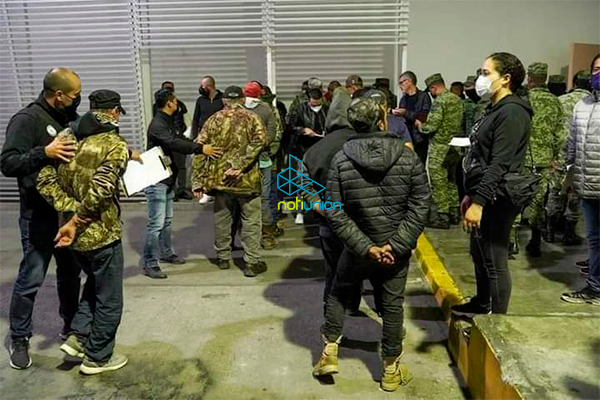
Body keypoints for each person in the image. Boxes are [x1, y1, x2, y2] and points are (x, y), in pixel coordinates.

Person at [313, 98, 430, 392]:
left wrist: (365, 247)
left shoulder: (341, 160)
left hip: (356, 250)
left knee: (339, 293)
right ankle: (390, 370)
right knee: (391, 306)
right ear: (382, 122)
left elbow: (335, 211)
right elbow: (421, 205)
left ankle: (329, 351)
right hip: (395, 251)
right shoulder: (407, 158)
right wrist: (396, 245)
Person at [36, 90, 131, 375]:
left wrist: (69, 209)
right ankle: (98, 357)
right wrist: (78, 218)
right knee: (109, 299)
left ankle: (78, 338)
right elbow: (102, 188)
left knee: (94, 285)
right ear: (114, 112)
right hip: (101, 233)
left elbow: (43, 179)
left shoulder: (65, 137)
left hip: (72, 236)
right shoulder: (114, 143)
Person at [0, 67, 82, 369]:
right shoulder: (26, 120)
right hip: (38, 216)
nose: (78, 99)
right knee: (31, 277)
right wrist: (44, 152)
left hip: (66, 214)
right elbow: (8, 163)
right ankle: (19, 337)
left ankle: (71, 328)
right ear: (58, 95)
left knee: (70, 275)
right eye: (74, 95)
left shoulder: (68, 118)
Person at [453, 52, 532, 316]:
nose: (480, 78)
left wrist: (479, 202)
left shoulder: (512, 112)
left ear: (506, 78)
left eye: (486, 73)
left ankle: (497, 325)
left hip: (497, 197)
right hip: (483, 192)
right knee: (479, 253)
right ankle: (482, 302)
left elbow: (499, 164)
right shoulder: (495, 108)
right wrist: (470, 194)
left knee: (494, 259)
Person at [143, 89, 222, 279]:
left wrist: (198, 143)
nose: (177, 103)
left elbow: (180, 139)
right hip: (157, 179)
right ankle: (150, 263)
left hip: (168, 177)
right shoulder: (158, 124)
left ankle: (166, 253)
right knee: (156, 223)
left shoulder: (169, 121)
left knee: (167, 221)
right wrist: (200, 148)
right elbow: (174, 143)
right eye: (175, 100)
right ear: (169, 103)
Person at [192, 86, 268, 278]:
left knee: (222, 219)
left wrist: (197, 181)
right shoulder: (252, 118)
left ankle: (223, 257)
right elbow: (260, 141)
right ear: (242, 100)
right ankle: (252, 262)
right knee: (251, 221)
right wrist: (240, 164)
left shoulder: (213, 120)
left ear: (224, 101)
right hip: (247, 180)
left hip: (220, 180)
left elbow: (199, 148)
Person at [301, 86, 361, 312]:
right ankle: (352, 304)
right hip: (359, 221)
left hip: (328, 220)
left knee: (333, 267)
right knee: (355, 265)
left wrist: (320, 207)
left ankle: (332, 308)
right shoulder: (363, 143)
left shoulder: (315, 149)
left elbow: (304, 184)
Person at [561, 54, 600, 306]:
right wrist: (570, 173)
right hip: (587, 185)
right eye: (596, 69)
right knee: (594, 239)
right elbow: (573, 142)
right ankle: (595, 287)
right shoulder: (582, 105)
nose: (599, 73)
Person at [545, 70, 591, 244]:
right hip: (583, 154)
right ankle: (569, 233)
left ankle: (549, 231)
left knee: (555, 191)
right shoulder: (594, 103)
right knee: (576, 194)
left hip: (560, 153)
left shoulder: (560, 100)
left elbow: (550, 129)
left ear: (575, 83)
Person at [524, 62, 564, 257]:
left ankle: (511, 243)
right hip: (545, 161)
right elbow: (560, 134)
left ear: (530, 78)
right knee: (538, 202)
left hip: (521, 160)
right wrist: (556, 158)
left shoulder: (522, 99)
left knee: (515, 200)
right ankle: (535, 240)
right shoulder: (555, 101)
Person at [417, 73, 464, 229]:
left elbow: (432, 125)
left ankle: (442, 216)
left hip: (440, 147)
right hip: (454, 147)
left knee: (438, 182)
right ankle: (454, 213)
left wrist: (421, 126)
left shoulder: (440, 101)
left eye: (431, 89)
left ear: (434, 87)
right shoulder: (457, 99)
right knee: (451, 180)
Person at [242, 81, 279, 249]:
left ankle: (249, 238)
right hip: (263, 160)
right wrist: (261, 146)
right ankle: (267, 237)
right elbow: (272, 133)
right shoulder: (266, 109)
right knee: (264, 199)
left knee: (244, 200)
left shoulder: (237, 110)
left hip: (242, 163)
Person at [287, 88, 329, 224]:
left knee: (320, 179)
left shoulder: (327, 109)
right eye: (313, 102)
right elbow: (290, 126)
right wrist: (302, 129)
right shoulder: (300, 109)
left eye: (317, 102)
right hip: (303, 148)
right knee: (302, 179)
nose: (315, 104)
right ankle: (300, 211)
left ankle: (319, 211)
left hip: (322, 148)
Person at [152, 81, 191, 201]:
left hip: (179, 136)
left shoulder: (180, 104)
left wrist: (188, 134)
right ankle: (172, 191)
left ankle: (182, 189)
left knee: (181, 166)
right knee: (169, 167)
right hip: (168, 140)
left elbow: (187, 118)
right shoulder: (158, 109)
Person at [191, 76, 225, 205]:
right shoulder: (200, 100)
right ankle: (207, 192)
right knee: (202, 164)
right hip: (203, 136)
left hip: (219, 137)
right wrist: (194, 136)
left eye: (203, 86)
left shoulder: (222, 99)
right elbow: (195, 119)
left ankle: (218, 190)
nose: (201, 88)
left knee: (218, 163)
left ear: (210, 86)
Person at [393, 71, 432, 164]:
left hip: (419, 139)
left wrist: (406, 113)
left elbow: (424, 116)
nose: (400, 86)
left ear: (409, 81)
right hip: (406, 138)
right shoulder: (403, 99)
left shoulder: (423, 96)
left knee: (419, 164)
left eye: (401, 83)